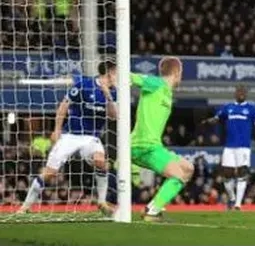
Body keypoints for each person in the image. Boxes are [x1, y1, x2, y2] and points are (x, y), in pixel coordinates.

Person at [19, 60, 118, 216]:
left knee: (101, 162)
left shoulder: (113, 92)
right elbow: (64, 105)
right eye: (116, 73)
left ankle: (102, 201)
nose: (118, 76)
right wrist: (57, 129)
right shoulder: (84, 85)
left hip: (91, 137)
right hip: (70, 135)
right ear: (109, 73)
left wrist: (108, 96)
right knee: (50, 172)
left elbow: (113, 116)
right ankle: (25, 207)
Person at [131, 56, 195, 222]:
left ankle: (152, 207)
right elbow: (132, 78)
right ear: (177, 72)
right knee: (178, 176)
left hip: (154, 146)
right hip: (143, 146)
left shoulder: (167, 91)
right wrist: (115, 76)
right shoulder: (156, 83)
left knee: (188, 168)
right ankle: (152, 212)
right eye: (181, 73)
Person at [202, 85, 255, 210]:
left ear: (246, 94)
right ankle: (232, 198)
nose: (241, 93)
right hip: (229, 146)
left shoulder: (251, 109)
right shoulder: (227, 107)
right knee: (227, 174)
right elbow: (217, 118)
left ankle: (238, 205)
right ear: (235, 94)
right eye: (239, 91)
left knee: (242, 172)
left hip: (244, 146)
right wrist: (208, 121)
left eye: (243, 92)